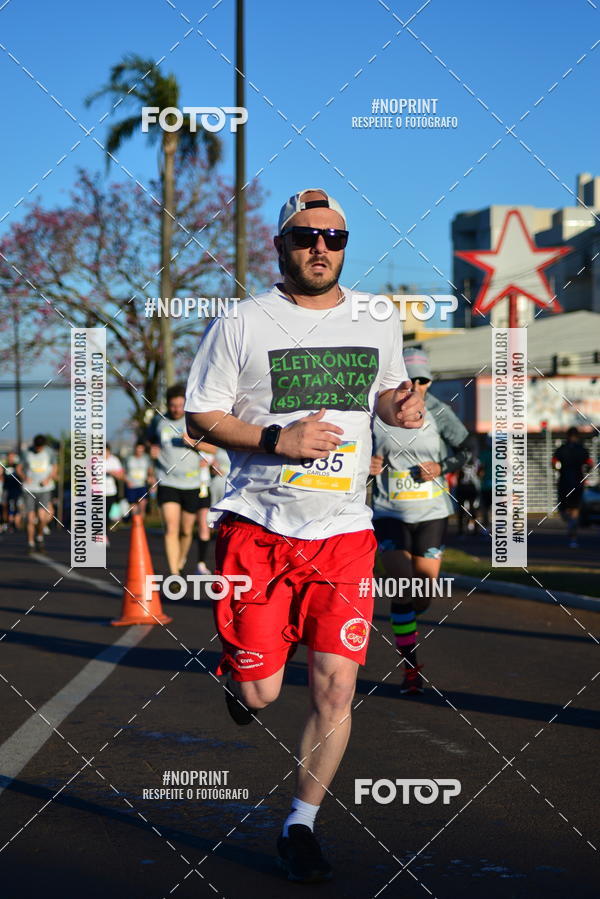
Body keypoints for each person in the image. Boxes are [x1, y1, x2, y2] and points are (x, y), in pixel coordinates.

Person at [185, 188, 424, 883]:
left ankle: (301, 825)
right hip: (259, 529)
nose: (321, 247)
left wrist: (401, 408)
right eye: (305, 236)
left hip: (344, 533)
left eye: (334, 237)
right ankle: (244, 672)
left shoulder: (377, 317)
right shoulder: (242, 321)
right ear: (281, 245)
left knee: (335, 690)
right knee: (261, 693)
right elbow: (200, 416)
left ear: (345, 245)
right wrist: (276, 439)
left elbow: (386, 395)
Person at [370, 347, 471, 695]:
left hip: (431, 513)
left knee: (423, 594)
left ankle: (407, 626)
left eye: (423, 380)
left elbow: (467, 450)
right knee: (402, 586)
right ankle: (410, 668)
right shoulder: (375, 412)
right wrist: (367, 465)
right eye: (409, 379)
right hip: (389, 512)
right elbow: (351, 453)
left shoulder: (439, 412)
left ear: (429, 382)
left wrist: (442, 467)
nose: (415, 386)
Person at [148, 384, 216, 576]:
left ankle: (180, 560)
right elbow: (149, 442)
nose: (176, 409)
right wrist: (151, 451)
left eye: (180, 405)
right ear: (168, 404)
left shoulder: (194, 422)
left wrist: (193, 443)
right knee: (171, 528)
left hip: (192, 484)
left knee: (186, 530)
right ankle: (174, 573)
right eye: (173, 405)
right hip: (167, 481)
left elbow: (213, 448)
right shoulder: (158, 421)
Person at [552, 427, 593, 548]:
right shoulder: (582, 449)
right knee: (575, 507)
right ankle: (573, 532)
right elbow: (590, 463)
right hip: (578, 482)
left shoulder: (561, 449)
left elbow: (554, 463)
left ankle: (570, 522)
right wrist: (586, 471)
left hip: (564, 482)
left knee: (563, 508)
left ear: (567, 436)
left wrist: (558, 469)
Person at [22, 435, 57, 554]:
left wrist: (48, 478)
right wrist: (25, 477)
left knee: (42, 517)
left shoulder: (49, 452)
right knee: (30, 519)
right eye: (37, 447)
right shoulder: (27, 452)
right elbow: (19, 468)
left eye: (40, 448)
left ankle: (40, 537)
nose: (38, 449)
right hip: (29, 489)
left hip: (44, 489)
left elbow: (55, 468)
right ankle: (30, 543)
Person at [124, 441, 153, 518]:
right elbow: (123, 471)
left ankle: (141, 521)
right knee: (133, 507)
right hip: (131, 486)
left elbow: (150, 469)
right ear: (135, 449)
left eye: (141, 450)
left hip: (142, 485)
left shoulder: (146, 458)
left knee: (142, 504)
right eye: (138, 449)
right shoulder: (129, 458)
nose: (139, 452)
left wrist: (150, 477)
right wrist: (127, 480)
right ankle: (135, 522)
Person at [2, 451, 23, 533]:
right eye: (9, 457)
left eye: (12, 457)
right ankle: (6, 523)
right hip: (7, 489)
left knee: (16, 507)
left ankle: (14, 523)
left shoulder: (17, 466)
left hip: (16, 490)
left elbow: (22, 475)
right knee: (5, 506)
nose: (11, 458)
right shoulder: (4, 466)